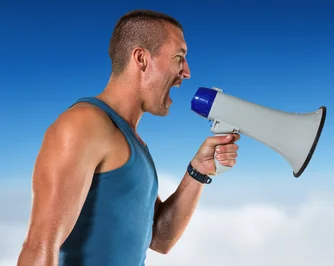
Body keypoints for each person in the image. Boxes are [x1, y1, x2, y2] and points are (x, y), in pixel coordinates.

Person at [16, 9, 240, 266]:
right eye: (179, 57)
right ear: (141, 58)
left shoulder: (130, 140)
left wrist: (198, 171)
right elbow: (39, 248)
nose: (186, 72)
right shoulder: (84, 124)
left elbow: (160, 239)